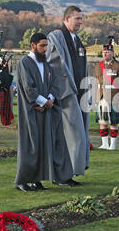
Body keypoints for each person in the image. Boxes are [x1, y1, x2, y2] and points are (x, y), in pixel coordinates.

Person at [14, 33, 74, 192]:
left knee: (43, 145)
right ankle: (23, 180)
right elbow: (28, 88)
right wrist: (43, 101)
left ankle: (37, 180)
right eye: (42, 46)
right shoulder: (24, 63)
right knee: (30, 145)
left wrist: (50, 100)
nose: (45, 49)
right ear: (32, 45)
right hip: (31, 112)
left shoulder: (46, 64)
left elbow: (55, 84)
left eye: (46, 46)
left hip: (45, 110)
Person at [45, 5, 89, 186]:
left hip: (78, 94)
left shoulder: (77, 40)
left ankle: (68, 174)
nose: (80, 22)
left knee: (74, 135)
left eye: (81, 19)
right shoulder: (55, 38)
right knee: (67, 135)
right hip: (64, 94)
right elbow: (53, 65)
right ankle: (60, 175)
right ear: (66, 19)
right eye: (77, 18)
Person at [94, 36, 119, 150]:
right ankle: (104, 144)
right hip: (102, 96)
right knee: (103, 121)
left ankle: (113, 145)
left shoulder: (118, 66)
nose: (105, 54)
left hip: (114, 97)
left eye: (107, 52)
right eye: (104, 52)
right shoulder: (99, 66)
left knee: (113, 122)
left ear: (112, 53)